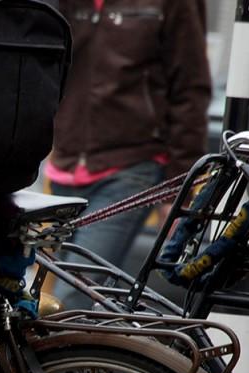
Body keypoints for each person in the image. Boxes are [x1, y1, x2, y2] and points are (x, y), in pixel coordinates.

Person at [48, 0, 211, 310]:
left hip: (130, 164)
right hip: (62, 162)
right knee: (47, 299)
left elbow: (190, 88)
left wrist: (181, 189)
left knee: (76, 295)